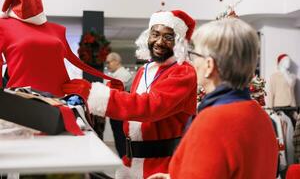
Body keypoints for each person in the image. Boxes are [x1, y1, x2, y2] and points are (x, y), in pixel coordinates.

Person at [63, 10, 197, 179]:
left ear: (178, 43)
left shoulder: (183, 72)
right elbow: (135, 109)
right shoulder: (144, 70)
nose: (159, 41)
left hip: (162, 166)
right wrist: (116, 93)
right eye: (155, 34)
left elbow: (150, 107)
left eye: (168, 37)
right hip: (131, 162)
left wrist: (92, 94)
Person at [148, 18, 278, 179]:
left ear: (209, 65)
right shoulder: (260, 116)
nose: (192, 62)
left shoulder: (212, 121)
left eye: (194, 55)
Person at [106, 52, 133, 157]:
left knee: (121, 140)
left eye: (109, 62)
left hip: (120, 113)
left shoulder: (123, 75)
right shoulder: (118, 75)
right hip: (117, 113)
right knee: (119, 139)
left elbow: (115, 94)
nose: (107, 65)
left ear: (116, 61)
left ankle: (125, 162)